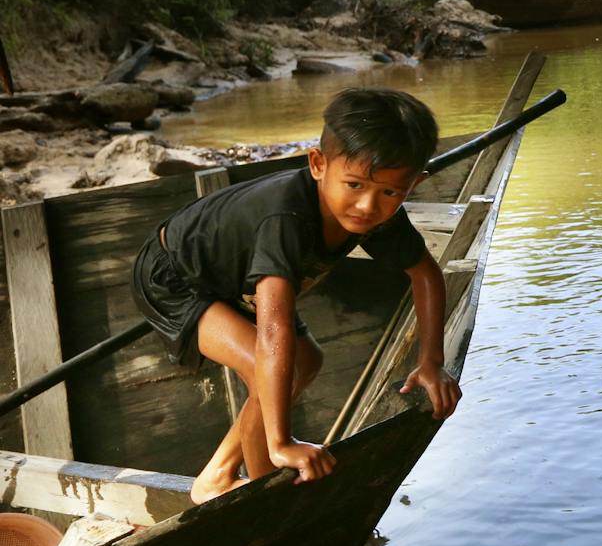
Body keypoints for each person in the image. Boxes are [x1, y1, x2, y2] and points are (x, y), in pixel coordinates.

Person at [131, 87, 460, 503]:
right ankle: (265, 491)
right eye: (354, 184)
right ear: (318, 163)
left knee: (306, 361)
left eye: (390, 193)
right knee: (260, 363)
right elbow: (272, 331)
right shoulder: (285, 218)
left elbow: (426, 274)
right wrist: (281, 442)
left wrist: (431, 363)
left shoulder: (379, 215)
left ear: (413, 185)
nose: (367, 205)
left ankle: (216, 475)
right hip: (175, 274)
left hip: (233, 278)